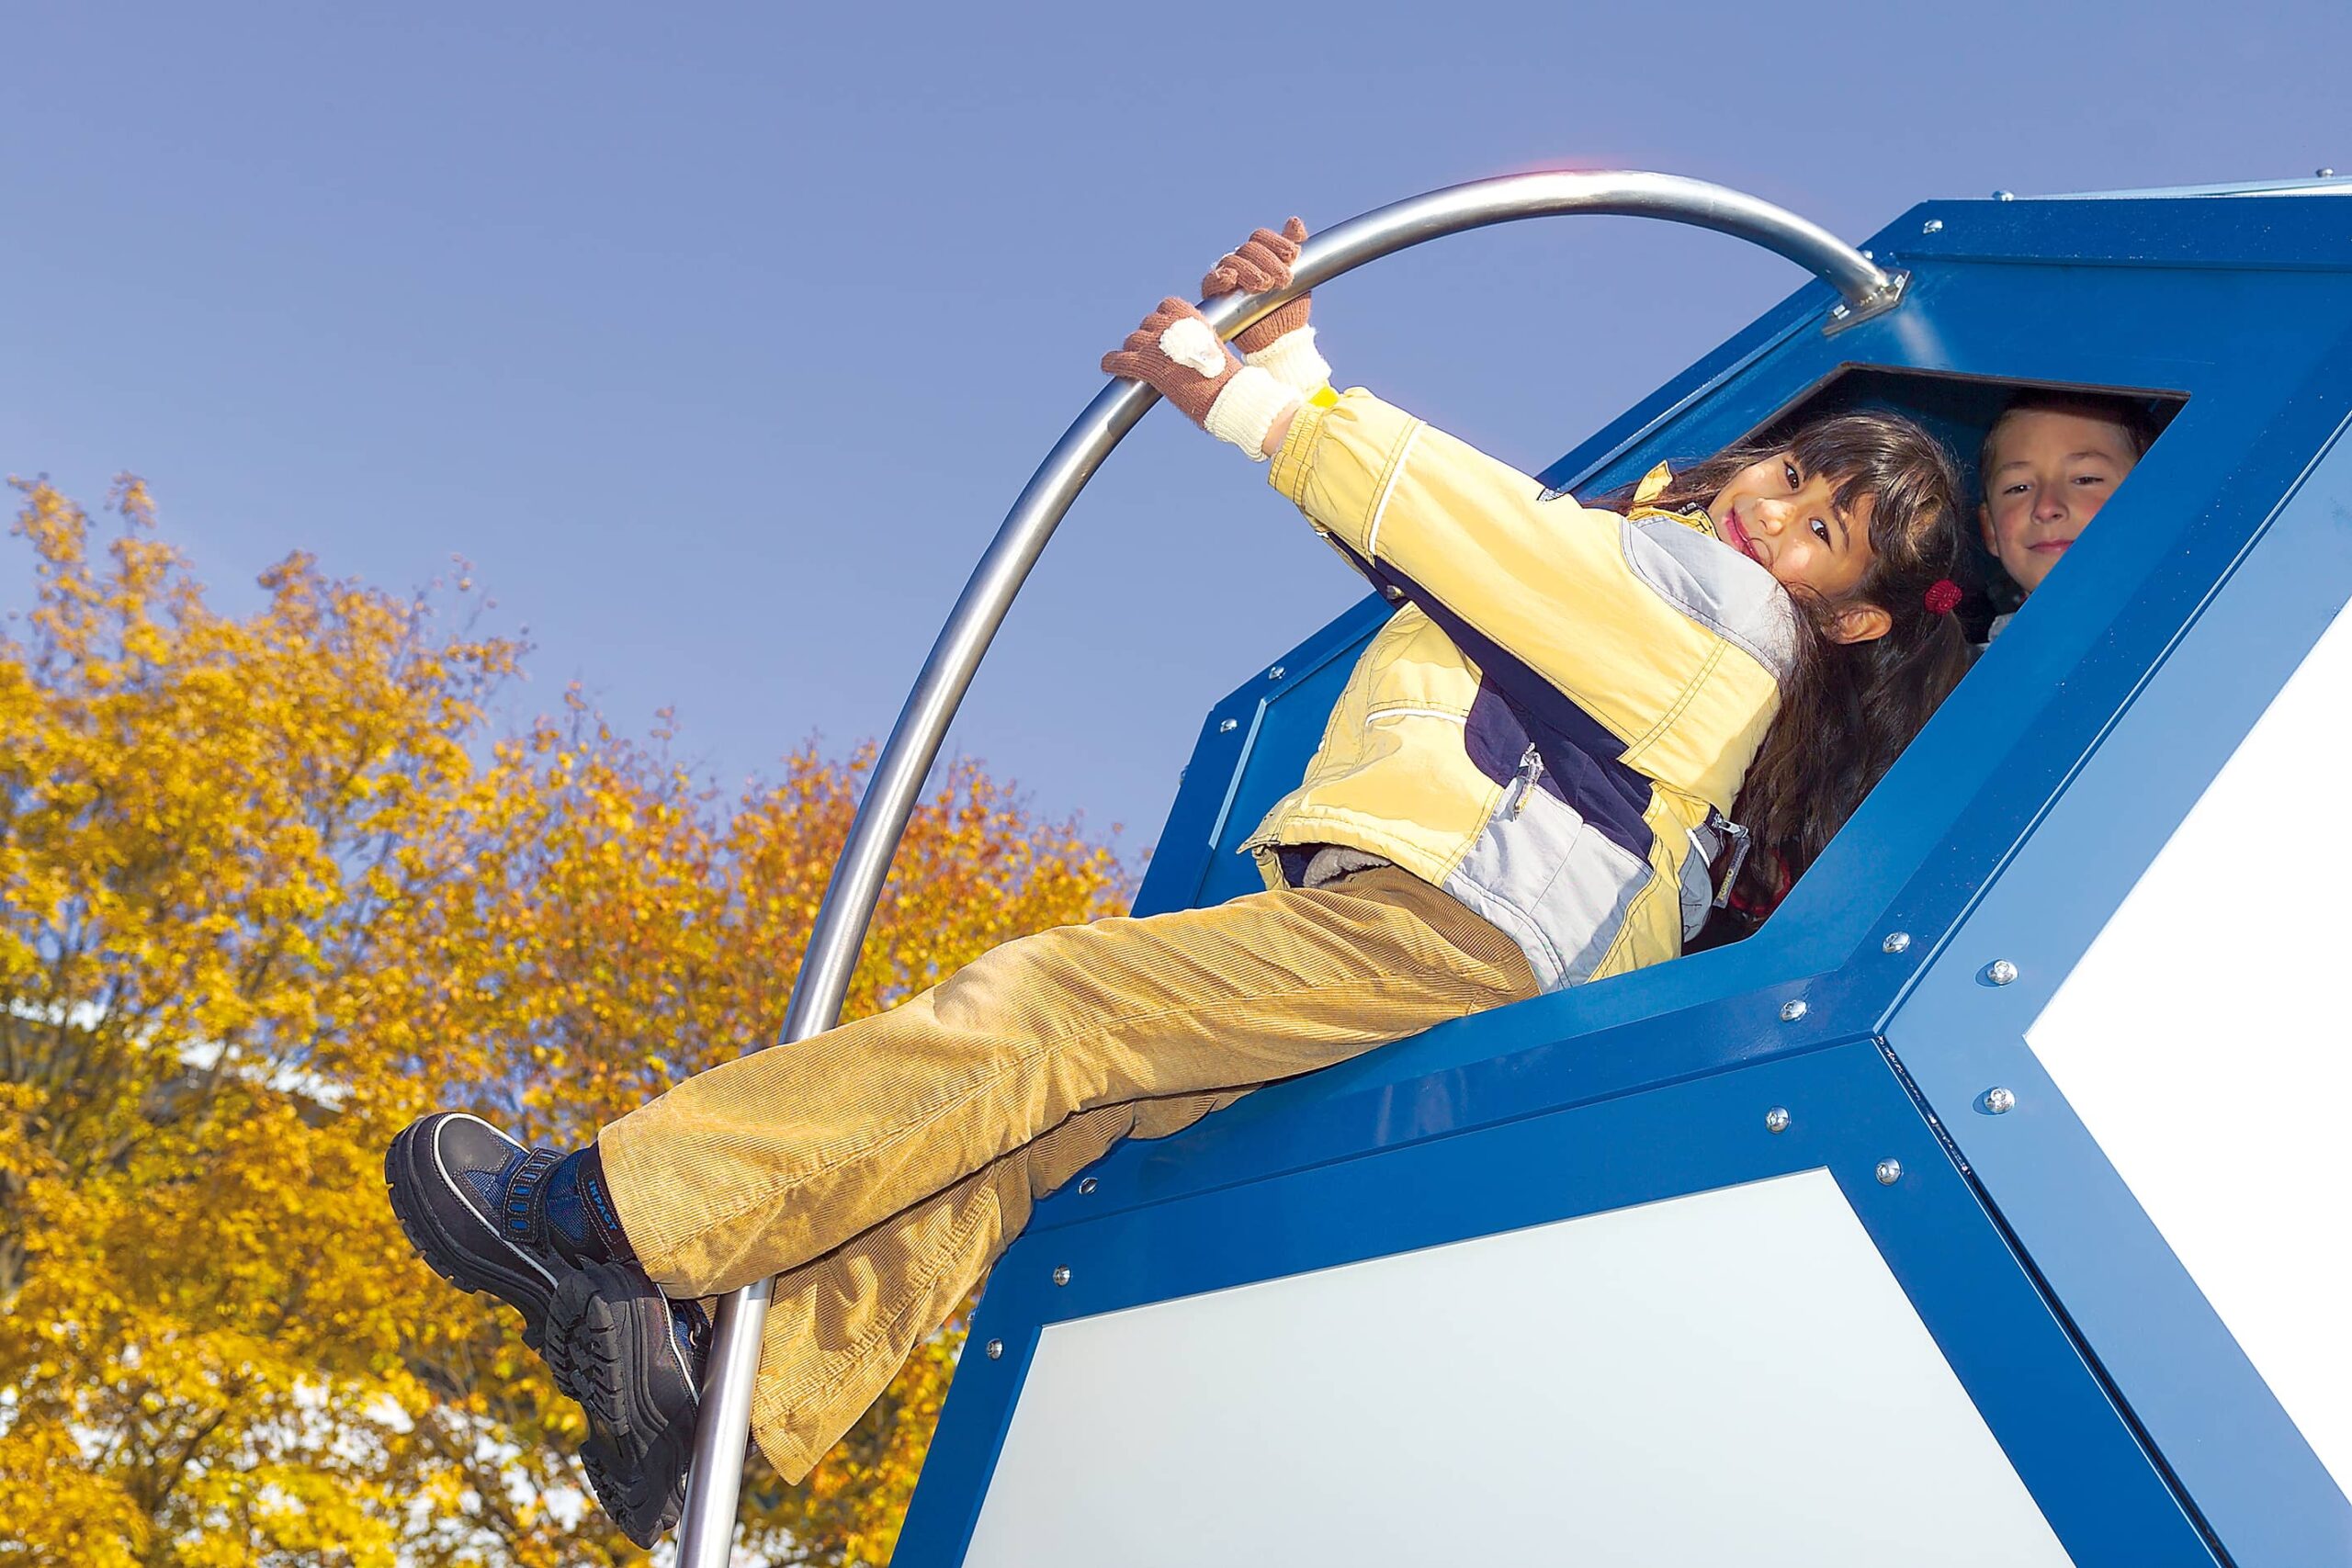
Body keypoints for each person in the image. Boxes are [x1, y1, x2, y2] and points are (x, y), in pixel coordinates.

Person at [384, 220, 1974, 1545]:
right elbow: (1466, 567)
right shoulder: (1637, 592)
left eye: (1828, 533)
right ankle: (736, 1397)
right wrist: (1288, 364)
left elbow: (1474, 531)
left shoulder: (1711, 619)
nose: (1777, 518)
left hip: (1453, 927)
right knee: (1056, 1114)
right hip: (1447, 939)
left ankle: (602, 1214)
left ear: (1847, 618)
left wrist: (1256, 399)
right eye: (1793, 477)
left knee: (1059, 1007)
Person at [1976, 389, 2158, 638]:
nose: (2046, 508)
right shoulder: (1975, 670)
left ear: (2152, 506)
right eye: (2018, 488)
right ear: (1989, 529)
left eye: (2085, 479)